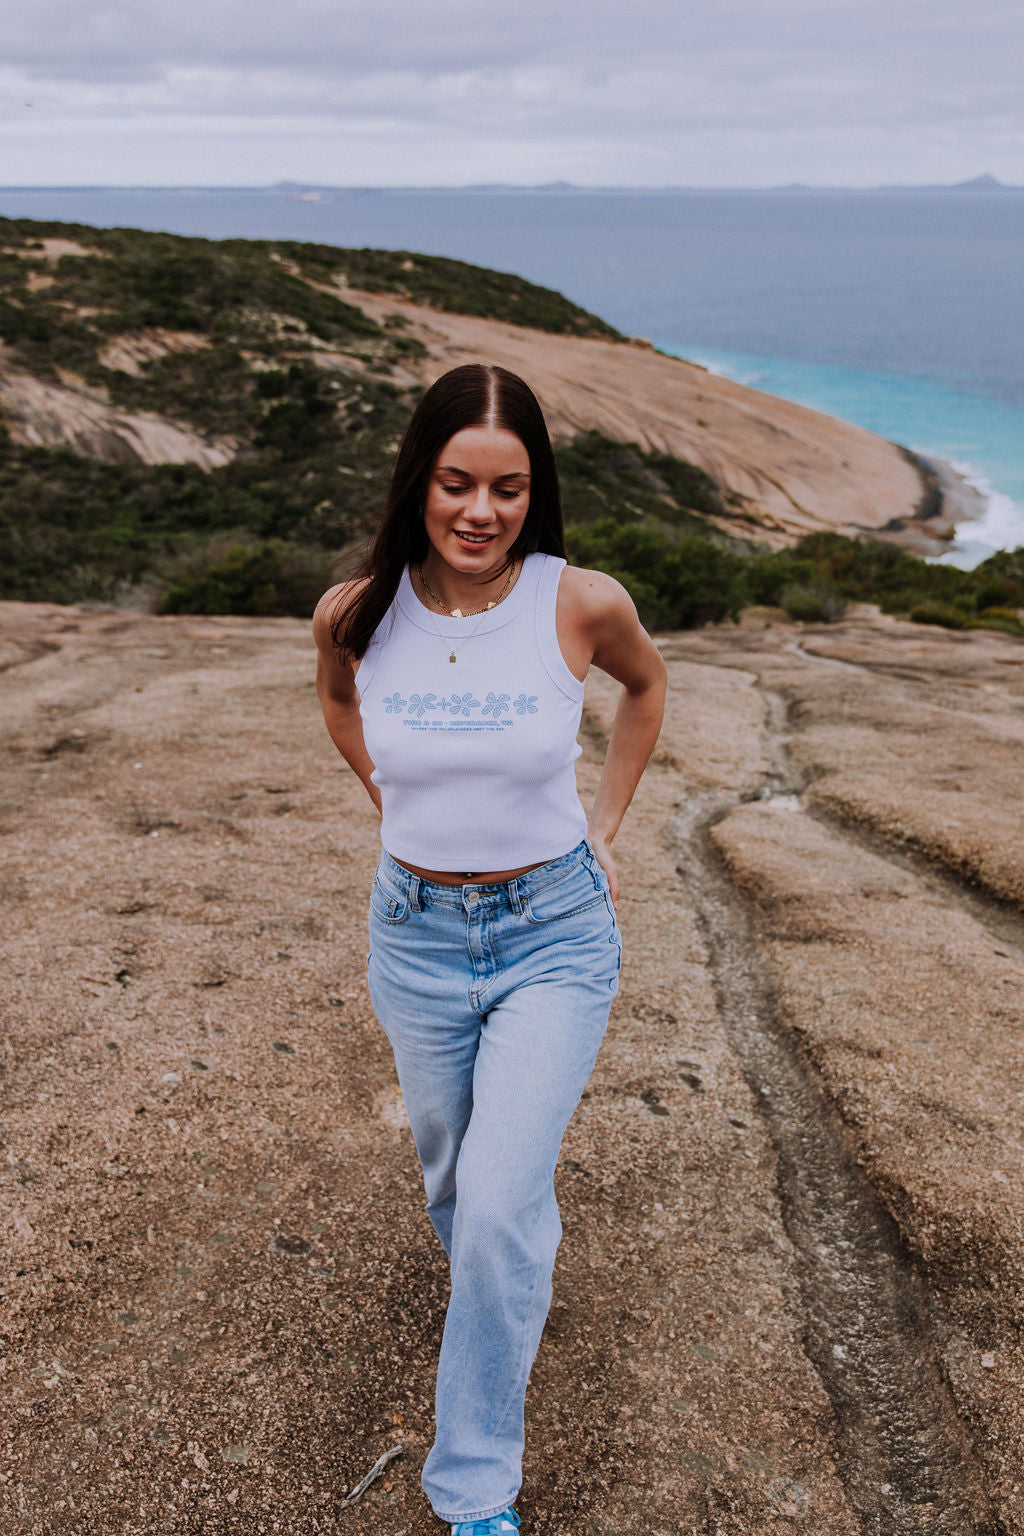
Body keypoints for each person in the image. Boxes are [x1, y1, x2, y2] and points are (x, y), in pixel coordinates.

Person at [312, 362, 666, 1535]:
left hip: (552, 934)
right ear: (421, 481)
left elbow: (646, 687)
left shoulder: (578, 601)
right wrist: (392, 803)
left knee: (503, 1200)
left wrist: (602, 828)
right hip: (413, 938)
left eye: (507, 489)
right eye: (458, 483)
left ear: (534, 492)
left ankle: (474, 1492)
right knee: (456, 1185)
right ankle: (501, 1290)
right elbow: (338, 698)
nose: (481, 511)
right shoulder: (356, 609)